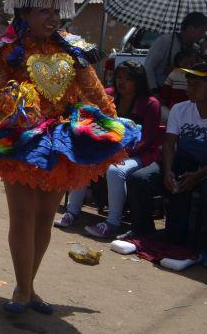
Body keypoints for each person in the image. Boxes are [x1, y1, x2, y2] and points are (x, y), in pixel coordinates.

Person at [0, 0, 140, 313]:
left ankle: (29, 287)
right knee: (22, 217)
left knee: (43, 219)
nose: (52, 18)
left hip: (62, 143)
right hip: (21, 141)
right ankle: (22, 290)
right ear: (25, 12)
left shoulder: (74, 49)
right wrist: (17, 98)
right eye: (43, 11)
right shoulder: (7, 50)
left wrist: (112, 127)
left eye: (56, 11)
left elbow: (95, 93)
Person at [56, 61, 162, 238]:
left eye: (128, 79)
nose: (121, 82)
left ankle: (112, 223)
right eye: (119, 77)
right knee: (84, 159)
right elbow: (92, 122)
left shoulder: (151, 104)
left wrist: (117, 153)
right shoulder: (108, 96)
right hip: (108, 149)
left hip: (138, 154)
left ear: (138, 81)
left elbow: (147, 140)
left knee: (115, 171)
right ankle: (72, 212)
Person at [124, 62, 207, 248]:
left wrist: (197, 176)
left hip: (205, 169)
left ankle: (204, 246)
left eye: (196, 85)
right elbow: (169, 143)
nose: (189, 89)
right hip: (180, 161)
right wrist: (167, 172)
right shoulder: (180, 109)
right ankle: (143, 231)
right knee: (139, 179)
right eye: (189, 84)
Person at [145, 11, 207, 94]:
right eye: (202, 31)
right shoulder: (165, 41)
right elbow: (148, 67)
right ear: (191, 28)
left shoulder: (196, 49)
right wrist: (154, 91)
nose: (203, 35)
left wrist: (203, 53)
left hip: (181, 94)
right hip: (160, 91)